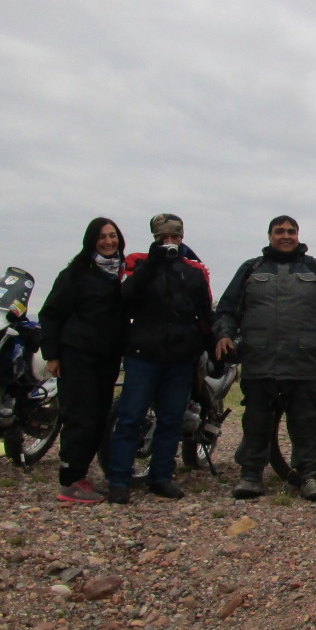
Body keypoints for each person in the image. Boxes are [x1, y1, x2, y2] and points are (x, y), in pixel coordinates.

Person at [213, 216, 316, 502]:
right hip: (259, 361)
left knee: (306, 423)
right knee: (255, 422)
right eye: (280, 231)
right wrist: (224, 335)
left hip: (305, 363)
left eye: (291, 231)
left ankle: (310, 477)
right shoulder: (250, 269)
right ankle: (251, 476)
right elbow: (227, 310)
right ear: (269, 235)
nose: (286, 235)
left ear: (298, 235)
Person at [105, 214, 214, 505]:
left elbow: (204, 311)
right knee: (130, 418)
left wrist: (214, 343)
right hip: (143, 353)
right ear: (154, 238)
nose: (169, 243)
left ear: (182, 237)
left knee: (171, 420)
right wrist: (151, 264)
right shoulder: (139, 265)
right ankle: (119, 479)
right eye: (162, 238)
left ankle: (161, 477)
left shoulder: (193, 271)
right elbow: (125, 297)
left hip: (180, 357)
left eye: (174, 237)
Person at [40, 217, 128, 506]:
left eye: (112, 236)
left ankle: (80, 476)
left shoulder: (120, 274)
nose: (108, 241)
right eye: (101, 237)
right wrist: (52, 355)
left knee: (98, 418)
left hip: (106, 358)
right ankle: (69, 481)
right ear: (91, 241)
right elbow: (51, 313)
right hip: (77, 355)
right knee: (80, 418)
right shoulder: (76, 274)